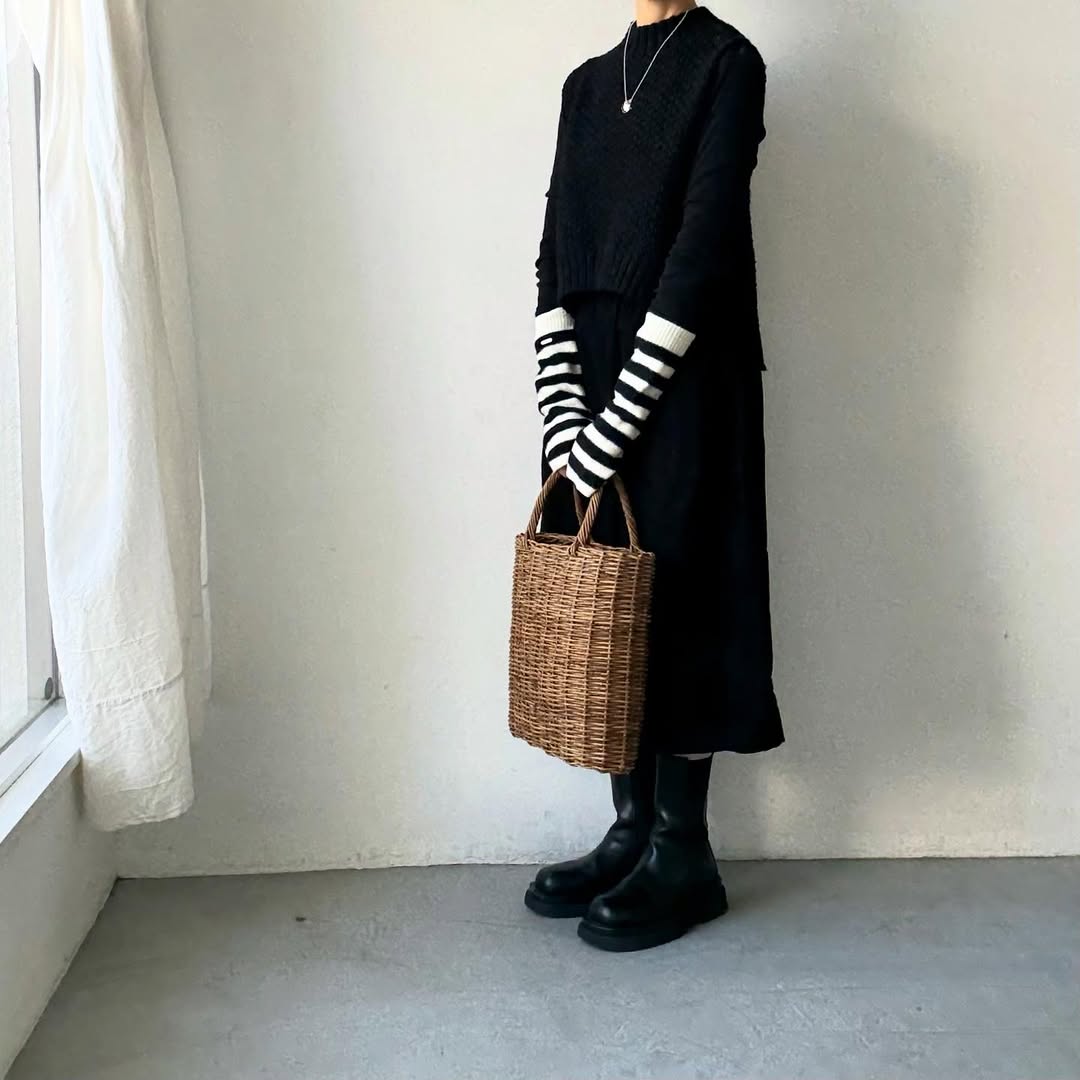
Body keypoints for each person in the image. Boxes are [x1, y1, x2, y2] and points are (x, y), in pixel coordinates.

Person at [522, 1, 785, 952]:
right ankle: (630, 830)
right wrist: (564, 412)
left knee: (684, 597)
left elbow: (701, 249)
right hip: (588, 377)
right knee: (610, 598)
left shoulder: (727, 64)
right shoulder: (586, 87)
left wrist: (624, 414)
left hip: (684, 376)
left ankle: (684, 850)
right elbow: (554, 253)